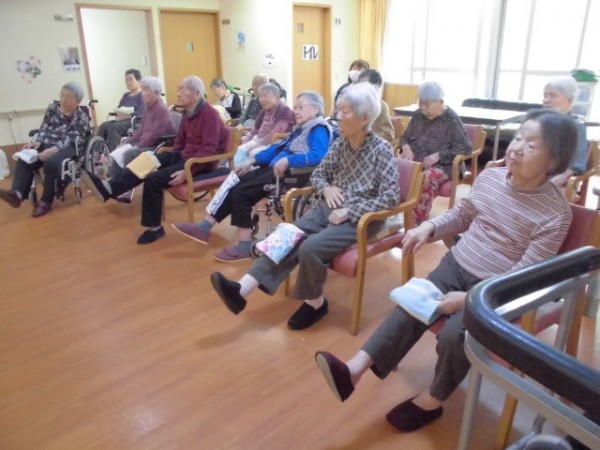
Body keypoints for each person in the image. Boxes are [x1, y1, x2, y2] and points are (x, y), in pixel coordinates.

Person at [314, 108, 577, 433]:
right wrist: (430, 227)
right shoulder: (491, 178)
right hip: (457, 264)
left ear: (554, 161)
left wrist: (467, 299)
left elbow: (523, 276)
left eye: (532, 145)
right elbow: (463, 214)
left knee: (455, 336)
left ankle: (433, 400)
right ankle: (352, 371)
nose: (517, 148)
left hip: (495, 290)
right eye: (519, 137)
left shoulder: (555, 214)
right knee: (412, 303)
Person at [207, 83, 400, 330]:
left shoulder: (381, 150)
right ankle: (241, 290)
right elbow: (318, 174)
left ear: (364, 118)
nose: (337, 116)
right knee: (287, 234)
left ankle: (315, 304)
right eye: (338, 110)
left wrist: (350, 211)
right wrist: (327, 188)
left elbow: (391, 197)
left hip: (361, 218)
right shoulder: (341, 144)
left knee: (310, 247)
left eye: (345, 112)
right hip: (327, 208)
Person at [172, 90, 331, 262]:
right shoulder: (300, 129)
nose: (296, 111)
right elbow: (275, 149)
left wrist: (288, 160)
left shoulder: (318, 128)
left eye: (300, 107)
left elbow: (318, 155)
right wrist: (252, 161)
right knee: (235, 181)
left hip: (290, 174)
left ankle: (244, 247)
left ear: (316, 109)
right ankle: (204, 226)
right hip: (274, 168)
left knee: (242, 193)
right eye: (295, 107)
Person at [81, 76, 228, 245]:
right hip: (184, 157)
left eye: (182, 89)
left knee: (153, 179)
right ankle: (109, 188)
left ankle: (155, 228)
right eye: (178, 89)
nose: (178, 93)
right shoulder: (187, 112)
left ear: (196, 93)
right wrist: (168, 159)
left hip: (200, 164)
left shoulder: (209, 114)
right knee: (147, 160)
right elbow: (180, 141)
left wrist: (186, 171)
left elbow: (208, 150)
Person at [0, 82, 91, 217]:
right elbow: (44, 128)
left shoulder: (81, 117)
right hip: (47, 142)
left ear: (78, 101)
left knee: (51, 162)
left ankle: (46, 201)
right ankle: (16, 195)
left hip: (69, 147)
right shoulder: (52, 108)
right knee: (25, 158)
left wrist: (53, 150)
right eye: (62, 95)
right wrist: (37, 142)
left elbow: (72, 138)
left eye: (69, 97)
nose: (64, 99)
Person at [399, 81, 472, 224]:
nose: (424, 109)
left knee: (426, 177)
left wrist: (438, 155)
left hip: (445, 165)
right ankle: (393, 216)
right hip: (418, 161)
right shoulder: (418, 115)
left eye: (428, 105)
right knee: (396, 170)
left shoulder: (451, 119)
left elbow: (466, 147)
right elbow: (404, 137)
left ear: (441, 102)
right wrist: (406, 147)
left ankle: (417, 222)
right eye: (421, 104)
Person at [108, 76, 177, 202]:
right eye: (143, 90)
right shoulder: (148, 109)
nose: (142, 93)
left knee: (130, 153)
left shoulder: (161, 109)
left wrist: (137, 146)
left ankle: (126, 189)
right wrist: (126, 142)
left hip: (158, 145)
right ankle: (112, 184)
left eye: (146, 90)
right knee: (118, 151)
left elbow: (154, 135)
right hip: (147, 143)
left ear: (156, 92)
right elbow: (140, 131)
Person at [233, 82, 295, 167]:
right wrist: (246, 140)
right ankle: (233, 172)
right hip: (258, 139)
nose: (261, 100)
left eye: (265, 96)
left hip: (274, 142)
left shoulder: (284, 110)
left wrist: (257, 144)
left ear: (275, 97)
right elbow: (254, 130)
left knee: (253, 154)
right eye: (260, 96)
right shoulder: (263, 111)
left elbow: (275, 133)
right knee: (239, 149)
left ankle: (245, 173)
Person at [542, 75, 588, 188]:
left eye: (553, 95)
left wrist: (549, 187)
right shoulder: (538, 122)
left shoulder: (576, 126)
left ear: (570, 100)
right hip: (530, 178)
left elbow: (575, 166)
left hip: (558, 183)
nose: (546, 100)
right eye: (545, 95)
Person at [96, 69, 146, 150]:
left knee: (113, 127)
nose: (128, 82)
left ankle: (112, 152)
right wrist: (118, 114)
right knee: (103, 126)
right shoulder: (126, 95)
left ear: (139, 81)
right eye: (126, 80)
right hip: (122, 120)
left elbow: (142, 112)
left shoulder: (142, 95)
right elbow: (119, 108)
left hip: (135, 121)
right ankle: (97, 151)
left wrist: (127, 116)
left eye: (131, 79)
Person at [357, 69, 394, 143]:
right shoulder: (355, 103)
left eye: (364, 85)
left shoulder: (381, 106)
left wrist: (368, 138)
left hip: (371, 146)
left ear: (375, 87)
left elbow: (389, 134)